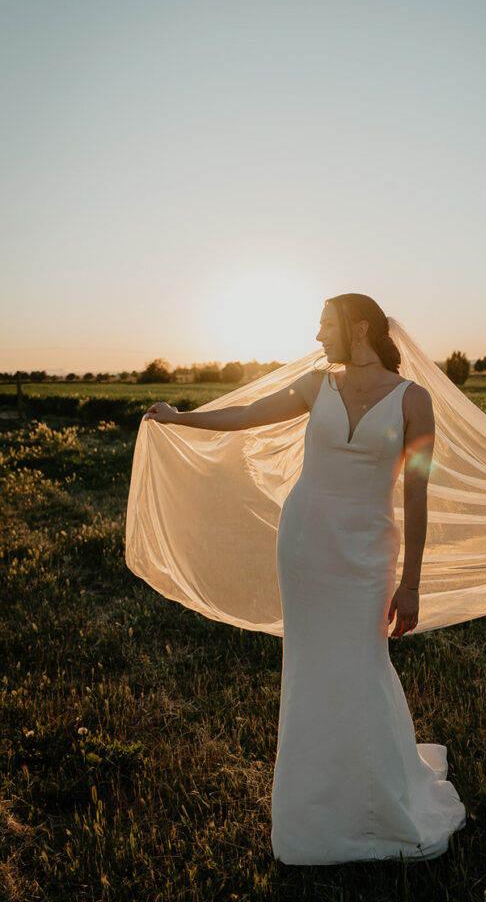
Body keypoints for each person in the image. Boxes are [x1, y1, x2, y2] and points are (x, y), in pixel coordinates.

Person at [144, 293, 467, 864]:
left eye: (325, 324)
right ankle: (312, 808)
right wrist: (180, 418)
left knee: (363, 664)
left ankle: (376, 799)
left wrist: (411, 583)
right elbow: (245, 416)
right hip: (304, 544)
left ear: (359, 329)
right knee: (311, 668)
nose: (317, 336)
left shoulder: (414, 401)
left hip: (368, 553)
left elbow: (416, 496)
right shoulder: (318, 386)